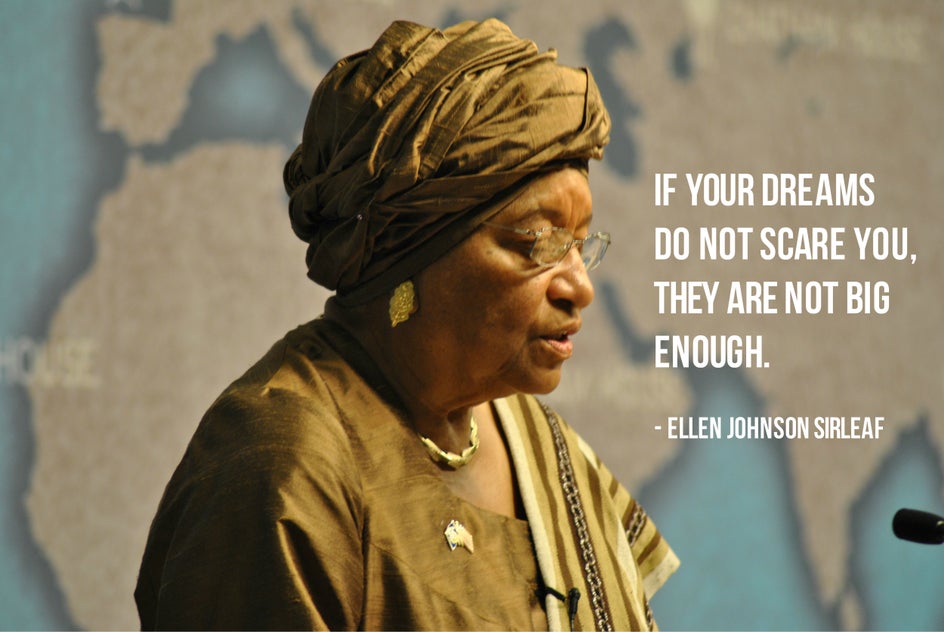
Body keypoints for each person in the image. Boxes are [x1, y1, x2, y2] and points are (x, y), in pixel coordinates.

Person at [134, 17, 678, 631]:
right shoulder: (282, 464)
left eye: (579, 243)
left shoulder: (539, 443)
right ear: (410, 252)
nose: (579, 286)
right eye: (537, 241)